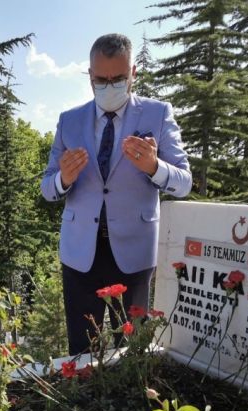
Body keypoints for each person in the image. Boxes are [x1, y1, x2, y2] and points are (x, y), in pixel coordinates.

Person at [40, 33, 192, 355]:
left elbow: (184, 183)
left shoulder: (158, 114)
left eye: (119, 79)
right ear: (90, 76)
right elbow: (47, 188)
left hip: (135, 254)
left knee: (133, 353)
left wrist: (154, 167)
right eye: (101, 80)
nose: (109, 87)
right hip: (80, 254)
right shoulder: (69, 121)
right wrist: (64, 179)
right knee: (82, 352)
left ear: (133, 73)